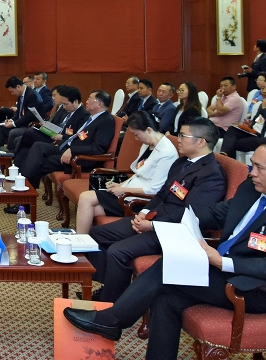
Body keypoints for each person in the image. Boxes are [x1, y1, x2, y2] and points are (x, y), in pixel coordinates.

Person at [64, 140, 266, 360]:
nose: (251, 172)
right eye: (251, 166)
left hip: (257, 289)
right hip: (220, 270)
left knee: (167, 271)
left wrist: (221, 261)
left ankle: (112, 319)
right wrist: (172, 222)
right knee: (167, 297)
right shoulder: (251, 189)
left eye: (259, 167)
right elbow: (216, 213)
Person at [86, 119, 227, 303]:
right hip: (154, 218)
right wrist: (144, 212)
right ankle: (110, 287)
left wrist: (152, 225)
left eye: (183, 136)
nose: (178, 140)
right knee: (97, 234)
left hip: (173, 232)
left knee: (117, 251)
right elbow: (161, 194)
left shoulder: (211, 174)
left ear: (201, 141)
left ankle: (110, 303)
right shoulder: (182, 162)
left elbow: (190, 215)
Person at [74, 111, 179, 234]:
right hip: (129, 191)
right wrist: (121, 185)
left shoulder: (166, 152)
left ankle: (80, 242)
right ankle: (84, 244)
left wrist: (124, 190)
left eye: (136, 135)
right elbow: (139, 173)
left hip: (140, 199)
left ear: (149, 130)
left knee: (85, 197)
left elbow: (155, 189)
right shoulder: (148, 144)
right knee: (90, 208)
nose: (136, 139)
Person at [19, 90, 116, 189]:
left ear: (99, 103)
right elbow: (81, 136)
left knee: (38, 162)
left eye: (89, 99)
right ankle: (23, 187)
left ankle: (23, 191)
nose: (86, 101)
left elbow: (97, 148)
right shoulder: (92, 118)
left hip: (80, 158)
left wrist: (73, 150)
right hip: (68, 147)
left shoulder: (106, 121)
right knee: (38, 146)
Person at [10, 84, 85, 166]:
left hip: (59, 140)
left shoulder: (81, 114)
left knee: (30, 133)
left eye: (55, 95)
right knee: (24, 149)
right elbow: (60, 126)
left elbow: (77, 135)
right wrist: (47, 126)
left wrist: (62, 136)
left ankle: (14, 155)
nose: (53, 98)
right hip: (54, 133)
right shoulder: (66, 110)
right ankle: (17, 170)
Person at [0, 76, 43, 148]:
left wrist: (13, 124)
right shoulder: (21, 95)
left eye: (12, 91)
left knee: (13, 132)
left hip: (31, 125)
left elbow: (29, 116)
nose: (12, 94)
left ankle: (11, 154)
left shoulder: (32, 95)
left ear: (18, 87)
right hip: (22, 123)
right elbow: (18, 113)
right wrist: (11, 120)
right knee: (2, 128)